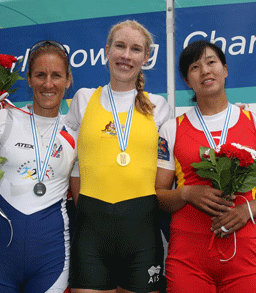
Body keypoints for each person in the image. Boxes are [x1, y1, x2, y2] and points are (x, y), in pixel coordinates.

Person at [155, 40, 256, 293]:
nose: (205, 70)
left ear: (225, 70)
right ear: (187, 80)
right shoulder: (172, 129)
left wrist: (248, 209)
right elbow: (158, 196)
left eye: (211, 62)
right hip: (188, 261)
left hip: (244, 258)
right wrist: (186, 193)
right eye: (195, 66)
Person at [0, 40, 77, 293]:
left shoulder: (76, 133)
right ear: (29, 79)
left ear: (68, 80)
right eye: (40, 75)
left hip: (51, 261)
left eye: (56, 76)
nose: (48, 84)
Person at [65, 20, 173, 293]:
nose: (126, 55)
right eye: (120, 46)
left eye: (136, 49)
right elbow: (68, 161)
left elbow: (171, 167)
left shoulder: (159, 106)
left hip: (142, 236)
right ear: (107, 51)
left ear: (146, 57)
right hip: (91, 234)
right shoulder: (83, 99)